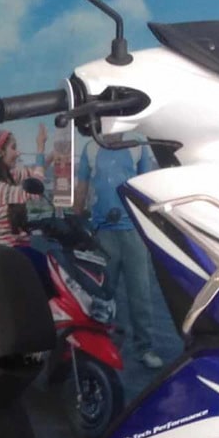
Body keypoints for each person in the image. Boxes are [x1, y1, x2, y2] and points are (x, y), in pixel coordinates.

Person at [75, 132, 166, 370]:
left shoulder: (137, 146)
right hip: (102, 233)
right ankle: (98, 345)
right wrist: (74, 223)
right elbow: (82, 187)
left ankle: (144, 348)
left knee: (140, 294)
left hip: (133, 231)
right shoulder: (90, 148)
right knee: (102, 294)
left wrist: (150, 227)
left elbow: (147, 189)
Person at [0, 126, 49, 247]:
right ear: (0, 152)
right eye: (13, 148)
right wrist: (40, 147)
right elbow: (35, 189)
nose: (18, 153)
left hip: (20, 245)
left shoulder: (10, 175)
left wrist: (53, 156)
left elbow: (35, 172)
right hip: (8, 251)